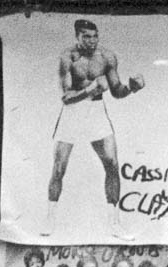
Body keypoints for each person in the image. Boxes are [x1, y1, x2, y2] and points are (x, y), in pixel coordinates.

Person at [45, 19, 145, 239]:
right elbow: (66, 97)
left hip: (96, 113)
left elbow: (116, 90)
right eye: (86, 36)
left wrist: (131, 88)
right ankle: (50, 219)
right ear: (77, 37)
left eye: (94, 36)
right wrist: (89, 90)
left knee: (112, 164)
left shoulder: (107, 57)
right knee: (59, 167)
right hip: (73, 114)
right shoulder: (67, 57)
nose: (91, 41)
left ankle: (114, 223)